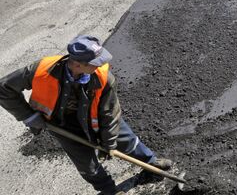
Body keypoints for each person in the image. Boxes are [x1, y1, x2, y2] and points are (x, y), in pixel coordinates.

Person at [0, 35, 173, 195]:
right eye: (95, 63)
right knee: (88, 166)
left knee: (128, 140)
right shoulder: (41, 70)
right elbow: (4, 88)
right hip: (62, 125)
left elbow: (109, 114)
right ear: (77, 64)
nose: (100, 65)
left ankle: (151, 163)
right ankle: (110, 191)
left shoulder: (104, 78)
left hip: (97, 117)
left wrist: (109, 144)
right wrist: (29, 116)